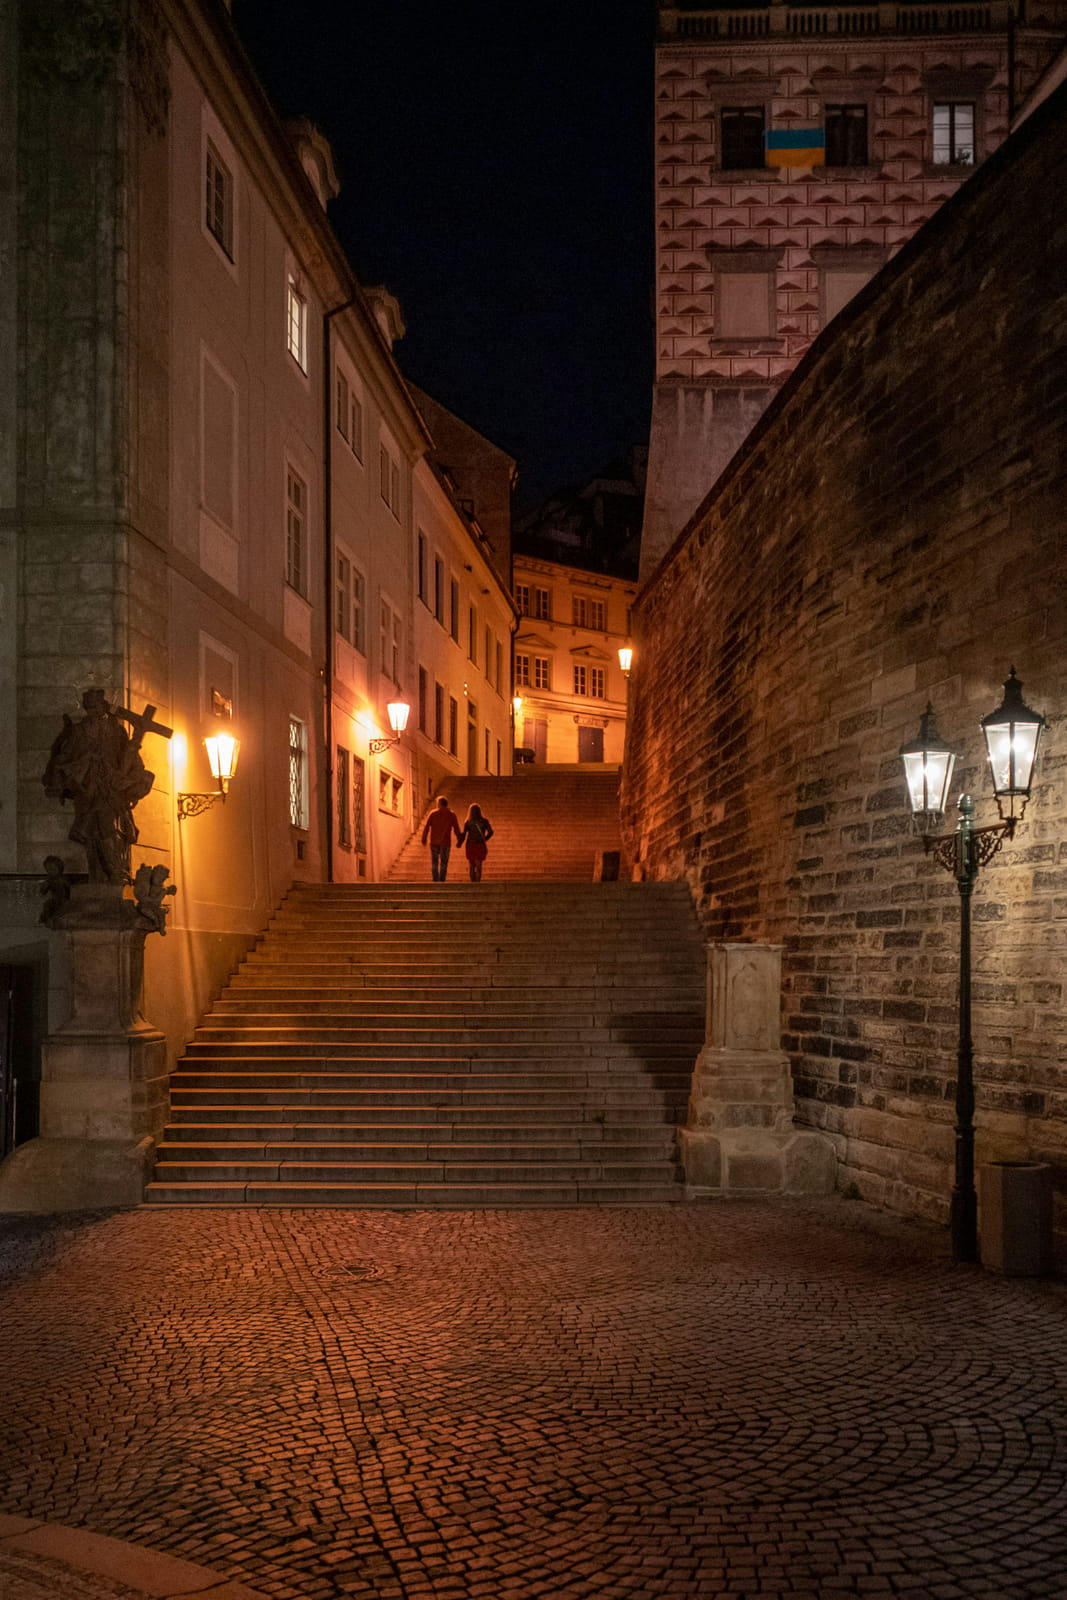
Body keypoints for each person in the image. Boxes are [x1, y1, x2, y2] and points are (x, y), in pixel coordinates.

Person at [42, 689, 154, 884]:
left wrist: (131, 779)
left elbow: (130, 756)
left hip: (112, 788)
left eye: (98, 706)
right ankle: (105, 876)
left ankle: (115, 873)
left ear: (103, 707)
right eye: (91, 706)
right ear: (86, 709)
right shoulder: (78, 732)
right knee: (93, 833)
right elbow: (65, 758)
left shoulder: (116, 731)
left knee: (111, 829)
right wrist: (75, 769)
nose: (95, 710)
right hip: (88, 789)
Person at [420, 795, 461, 882]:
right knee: (444, 863)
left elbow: (427, 827)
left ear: (439, 804)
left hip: (434, 842)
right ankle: (442, 881)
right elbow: (456, 828)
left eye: (437, 803)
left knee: (434, 862)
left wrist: (424, 838)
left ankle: (435, 880)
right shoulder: (451, 814)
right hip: (445, 843)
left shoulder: (433, 813)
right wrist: (459, 839)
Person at [457, 802, 494, 882]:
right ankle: (478, 883)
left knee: (471, 865)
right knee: (479, 865)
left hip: (470, 845)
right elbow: (491, 832)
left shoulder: (468, 822)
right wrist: (484, 839)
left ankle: (472, 883)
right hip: (480, 844)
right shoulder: (484, 821)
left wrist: (459, 843)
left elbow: (464, 834)